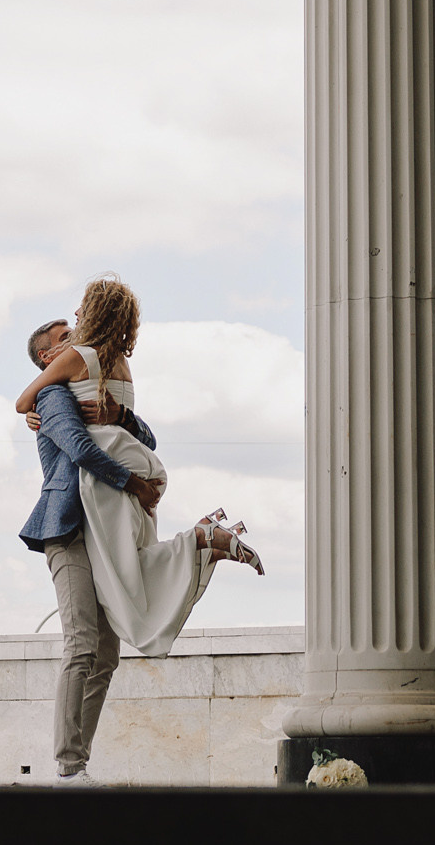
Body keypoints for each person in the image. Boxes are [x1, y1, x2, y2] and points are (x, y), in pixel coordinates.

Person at [14, 276, 262, 785]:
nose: (72, 335)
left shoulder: (96, 376)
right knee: (82, 643)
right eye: (62, 338)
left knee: (106, 654)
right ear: (46, 357)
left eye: (74, 328)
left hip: (104, 514)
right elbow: (80, 447)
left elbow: (142, 433)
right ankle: (69, 766)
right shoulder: (53, 396)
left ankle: (77, 764)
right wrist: (137, 483)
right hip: (69, 527)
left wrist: (122, 414)